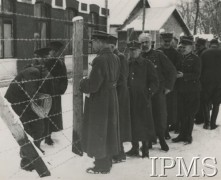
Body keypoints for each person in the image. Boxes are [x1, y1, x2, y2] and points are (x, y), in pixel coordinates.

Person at [4, 48, 54, 171]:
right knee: (36, 128)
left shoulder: (39, 70)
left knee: (37, 127)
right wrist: (44, 97)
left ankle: (32, 151)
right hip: (18, 102)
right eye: (47, 58)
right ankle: (27, 160)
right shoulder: (33, 72)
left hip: (24, 100)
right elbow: (31, 93)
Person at [79, 31, 121, 174]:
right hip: (111, 97)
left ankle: (101, 165)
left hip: (100, 100)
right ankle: (107, 161)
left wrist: (82, 82)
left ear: (99, 41)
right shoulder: (115, 57)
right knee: (108, 129)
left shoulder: (100, 59)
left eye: (93, 42)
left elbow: (93, 85)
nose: (92, 45)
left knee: (98, 129)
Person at [139, 33, 177, 152]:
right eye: (142, 42)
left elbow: (172, 71)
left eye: (146, 42)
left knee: (159, 116)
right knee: (145, 117)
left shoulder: (158, 55)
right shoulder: (138, 56)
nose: (144, 45)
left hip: (158, 92)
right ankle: (148, 141)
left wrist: (168, 87)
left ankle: (162, 140)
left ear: (151, 43)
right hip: (144, 93)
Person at [125, 40, 159, 158]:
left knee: (144, 123)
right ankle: (134, 148)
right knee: (133, 123)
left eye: (135, 49)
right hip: (130, 98)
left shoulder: (147, 64)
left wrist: (148, 93)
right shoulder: (127, 64)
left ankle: (145, 149)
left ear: (140, 50)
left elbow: (155, 82)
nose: (133, 52)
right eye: (131, 50)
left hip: (143, 99)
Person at [172, 36, 201, 144]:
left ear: (191, 48)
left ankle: (188, 136)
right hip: (181, 90)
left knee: (189, 114)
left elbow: (197, 74)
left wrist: (184, 75)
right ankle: (181, 135)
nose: (182, 48)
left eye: (185, 47)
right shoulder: (180, 57)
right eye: (181, 46)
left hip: (192, 91)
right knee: (182, 113)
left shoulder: (196, 59)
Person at [109, 36, 131, 163]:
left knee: (118, 122)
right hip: (115, 93)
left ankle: (119, 152)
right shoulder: (114, 56)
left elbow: (122, 77)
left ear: (114, 45)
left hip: (120, 94)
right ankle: (117, 151)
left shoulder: (120, 57)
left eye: (111, 46)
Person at [158, 33, 184, 138]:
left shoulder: (177, 54)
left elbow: (179, 70)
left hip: (171, 86)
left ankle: (166, 130)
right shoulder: (156, 52)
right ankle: (160, 131)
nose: (167, 43)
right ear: (161, 40)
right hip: (158, 85)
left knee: (169, 109)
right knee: (158, 109)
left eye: (169, 41)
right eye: (165, 41)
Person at [43, 41, 68, 145]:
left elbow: (64, 79)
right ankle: (44, 135)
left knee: (53, 114)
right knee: (44, 113)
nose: (54, 53)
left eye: (56, 51)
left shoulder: (60, 63)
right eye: (52, 51)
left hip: (55, 93)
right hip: (45, 93)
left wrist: (60, 90)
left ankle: (49, 135)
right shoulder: (44, 62)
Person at [200, 41, 221, 130]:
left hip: (206, 82)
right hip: (219, 82)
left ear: (210, 44)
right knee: (216, 104)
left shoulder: (204, 53)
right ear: (218, 45)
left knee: (206, 102)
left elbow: (200, 67)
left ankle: (206, 123)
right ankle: (213, 124)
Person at [194, 38, 207, 125]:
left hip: (202, 79)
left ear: (202, 45)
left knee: (201, 99)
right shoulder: (202, 52)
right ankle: (200, 117)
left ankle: (200, 118)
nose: (196, 47)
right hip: (202, 78)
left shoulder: (202, 53)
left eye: (198, 45)